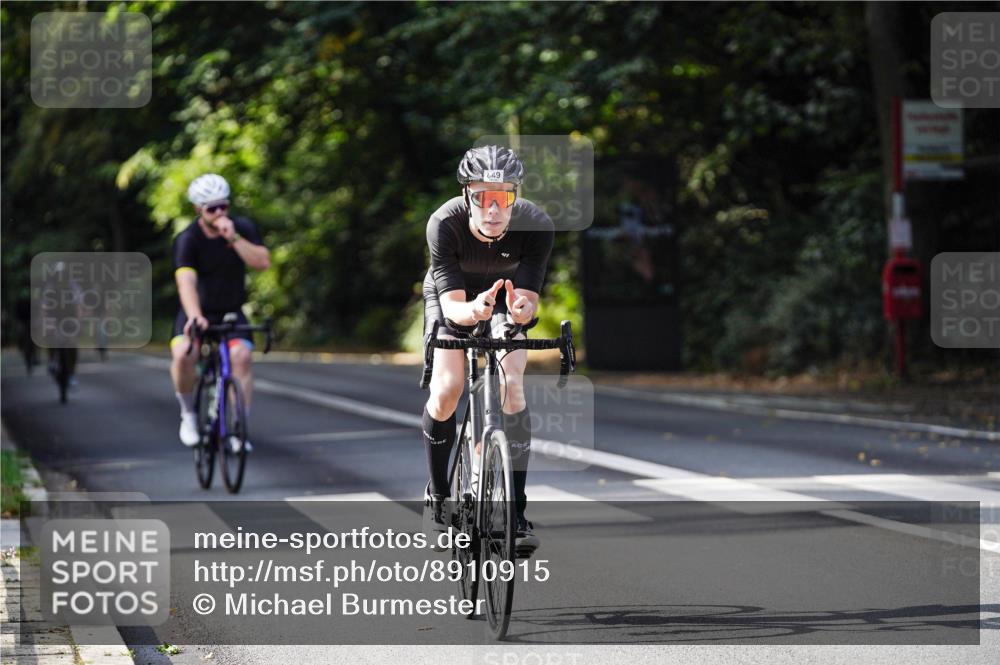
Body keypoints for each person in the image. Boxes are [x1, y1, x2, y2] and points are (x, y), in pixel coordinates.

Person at [421, 145, 554, 557]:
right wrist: (474, 309)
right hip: (455, 298)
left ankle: (515, 512)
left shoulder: (536, 225)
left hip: (505, 298)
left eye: (503, 198)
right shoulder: (444, 224)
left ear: (514, 197)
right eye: (482, 198)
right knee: (447, 391)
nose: (493, 209)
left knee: (512, 386)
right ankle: (439, 496)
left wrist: (520, 309)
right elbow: (453, 307)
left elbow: (528, 301)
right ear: (467, 197)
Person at [170, 174, 270, 450]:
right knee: (183, 354)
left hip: (230, 311)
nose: (219, 213)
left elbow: (262, 262)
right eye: (211, 208)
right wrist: (194, 314)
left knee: (242, 356)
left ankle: (238, 428)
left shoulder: (242, 228)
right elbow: (185, 281)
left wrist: (234, 238)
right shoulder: (188, 239)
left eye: (223, 206)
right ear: (197, 210)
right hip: (197, 312)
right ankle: (188, 414)